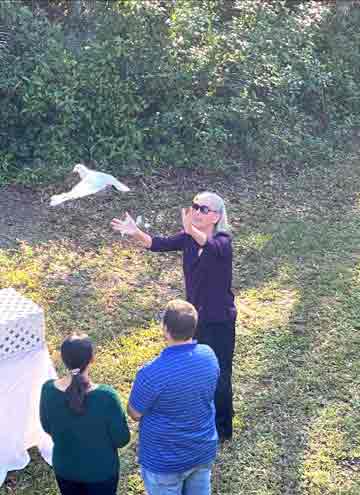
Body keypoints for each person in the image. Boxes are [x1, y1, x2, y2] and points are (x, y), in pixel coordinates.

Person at [111, 191, 237, 441]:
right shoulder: (189, 239)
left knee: (220, 373)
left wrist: (191, 230)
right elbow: (157, 244)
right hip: (194, 320)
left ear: (216, 216)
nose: (197, 211)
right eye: (195, 206)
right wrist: (135, 231)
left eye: (203, 209)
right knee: (195, 370)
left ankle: (222, 428)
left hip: (219, 320)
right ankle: (199, 416)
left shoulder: (223, 242)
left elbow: (210, 245)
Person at [128, 299, 219, 495]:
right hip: (202, 451)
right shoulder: (209, 355)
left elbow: (134, 413)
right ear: (194, 327)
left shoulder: (150, 373)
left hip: (163, 461)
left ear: (165, 329)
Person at [39, 334, 130, 495]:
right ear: (92, 359)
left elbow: (47, 427)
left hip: (65, 469)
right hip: (101, 473)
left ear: (63, 359)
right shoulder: (107, 397)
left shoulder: (48, 390)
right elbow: (122, 439)